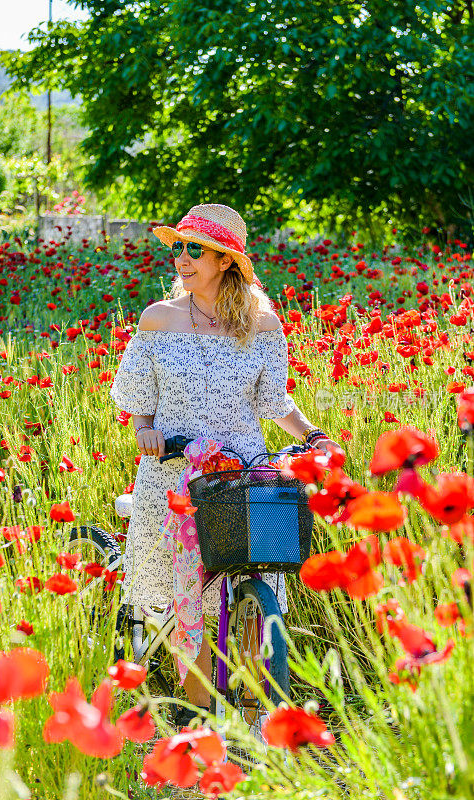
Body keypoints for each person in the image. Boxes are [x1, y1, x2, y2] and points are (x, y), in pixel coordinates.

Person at [110, 203, 341, 723]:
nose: (182, 258)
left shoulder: (261, 324)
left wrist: (314, 436)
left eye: (196, 249)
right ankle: (195, 713)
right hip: (175, 469)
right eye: (178, 247)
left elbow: (274, 402)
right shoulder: (158, 318)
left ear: (226, 261)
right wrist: (147, 429)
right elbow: (136, 398)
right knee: (174, 592)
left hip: (241, 468)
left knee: (255, 573)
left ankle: (262, 710)